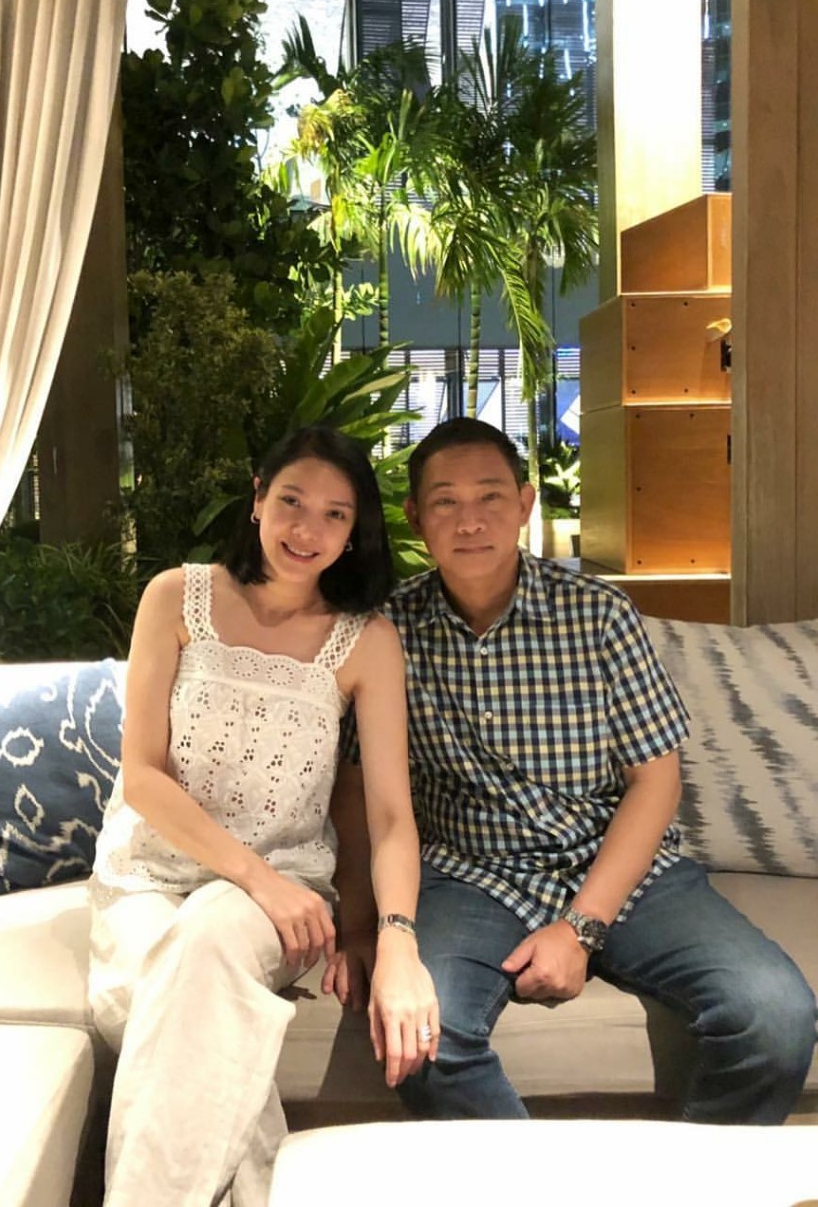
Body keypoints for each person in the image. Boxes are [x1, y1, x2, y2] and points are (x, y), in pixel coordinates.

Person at [330, 416, 817, 1124]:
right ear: (415, 516)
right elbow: (358, 797)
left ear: (525, 504)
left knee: (774, 1015)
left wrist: (580, 928)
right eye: (445, 502)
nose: (470, 521)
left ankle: (694, 1180)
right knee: (424, 1038)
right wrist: (360, 927)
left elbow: (656, 780)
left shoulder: (597, 615)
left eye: (490, 497)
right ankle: (551, 1180)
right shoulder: (387, 633)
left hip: (621, 867)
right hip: (471, 873)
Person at [88, 424, 439, 1206]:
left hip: (282, 887)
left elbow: (389, 815)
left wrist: (392, 937)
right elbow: (141, 775)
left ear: (354, 531)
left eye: (334, 515)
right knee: (161, 999)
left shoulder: (366, 642)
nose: (306, 530)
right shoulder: (175, 596)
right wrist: (256, 878)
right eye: (291, 502)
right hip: (151, 873)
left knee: (207, 940)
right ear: (257, 499)